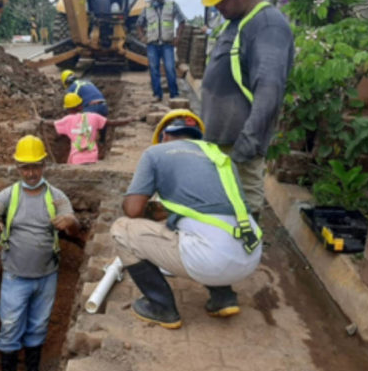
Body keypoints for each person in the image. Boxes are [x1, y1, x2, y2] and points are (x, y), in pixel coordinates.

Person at [110, 110, 263, 329]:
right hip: (249, 256)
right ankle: (223, 296)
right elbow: (209, 208)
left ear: (164, 137)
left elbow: (133, 210)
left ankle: (161, 307)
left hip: (209, 260)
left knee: (121, 229)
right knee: (205, 227)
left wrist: (149, 206)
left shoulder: (155, 153)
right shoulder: (221, 158)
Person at [0, 135, 80, 371]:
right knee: (10, 326)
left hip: (47, 276)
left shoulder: (55, 197)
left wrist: (69, 221)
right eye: (25, 167)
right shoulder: (8, 196)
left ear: (44, 165)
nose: (31, 173)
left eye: (35, 166)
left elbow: (76, 224)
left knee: (38, 324)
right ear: (17, 167)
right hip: (15, 277)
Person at [199, 0, 295, 219]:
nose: (216, 5)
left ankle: (245, 258)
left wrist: (246, 145)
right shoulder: (238, 21)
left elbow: (269, 90)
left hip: (238, 147)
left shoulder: (267, 25)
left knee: (242, 213)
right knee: (223, 214)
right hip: (223, 145)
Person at [41, 93, 134, 165]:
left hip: (76, 158)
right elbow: (112, 123)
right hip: (92, 157)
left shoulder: (67, 120)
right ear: (81, 106)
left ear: (67, 109)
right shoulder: (94, 117)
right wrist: (129, 120)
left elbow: (52, 123)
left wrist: (41, 120)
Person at [137, 0, 187, 102]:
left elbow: (182, 21)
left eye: (153, 0)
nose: (152, 2)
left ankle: (174, 95)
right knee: (154, 69)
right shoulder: (147, 9)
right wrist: (142, 37)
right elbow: (139, 24)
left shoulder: (172, 5)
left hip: (167, 44)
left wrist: (178, 37)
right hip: (152, 45)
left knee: (170, 69)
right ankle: (157, 94)